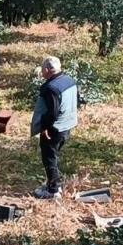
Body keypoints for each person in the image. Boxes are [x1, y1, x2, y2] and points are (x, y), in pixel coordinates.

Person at [30, 56, 78, 199]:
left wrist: (44, 128)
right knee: (54, 156)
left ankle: (53, 190)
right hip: (68, 124)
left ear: (46, 70)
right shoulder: (69, 80)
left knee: (49, 158)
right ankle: (53, 184)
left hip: (55, 128)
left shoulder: (51, 88)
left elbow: (52, 112)